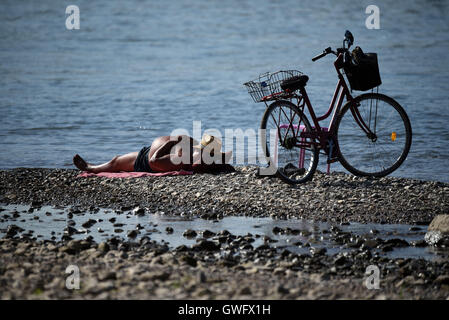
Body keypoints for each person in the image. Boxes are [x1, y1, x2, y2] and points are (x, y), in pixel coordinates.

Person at [73, 134, 234, 174]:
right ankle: (92, 167)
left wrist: (172, 142)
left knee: (115, 163)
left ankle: (90, 168)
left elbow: (154, 161)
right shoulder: (195, 151)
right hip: (152, 149)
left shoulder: (180, 159)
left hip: (145, 159)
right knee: (115, 161)